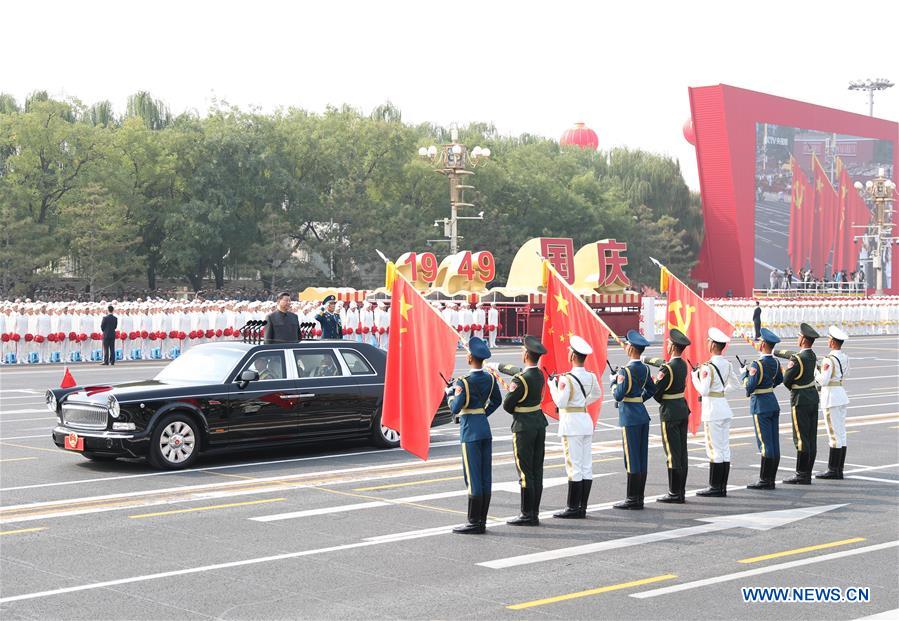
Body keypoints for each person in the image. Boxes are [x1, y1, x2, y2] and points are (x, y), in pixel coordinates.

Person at [491, 335, 548, 526]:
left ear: (525, 355)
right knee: (536, 470)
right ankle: (535, 512)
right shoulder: (538, 374)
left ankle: (526, 515)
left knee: (524, 472)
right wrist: (498, 365)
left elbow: (508, 405)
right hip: (539, 424)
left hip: (524, 427)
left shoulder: (520, 380)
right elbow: (518, 371)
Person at [447, 336, 502, 534]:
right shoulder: (490, 377)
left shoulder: (464, 382)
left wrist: (450, 393)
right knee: (485, 476)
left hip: (470, 430)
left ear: (470, 358)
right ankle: (482, 520)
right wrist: (482, 413)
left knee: (473, 477)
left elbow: (455, 407)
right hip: (484, 428)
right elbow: (497, 401)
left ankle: (474, 522)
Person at [548, 335, 602, 518]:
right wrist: (582, 402)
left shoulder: (566, 379)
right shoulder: (591, 376)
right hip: (585, 420)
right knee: (586, 466)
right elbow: (597, 394)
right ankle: (582, 507)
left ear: (572, 356)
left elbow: (561, 403)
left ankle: (573, 508)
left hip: (571, 423)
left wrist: (552, 387)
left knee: (574, 466)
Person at [643, 328, 691, 503]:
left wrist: (656, 381)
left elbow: (656, 393)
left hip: (670, 411)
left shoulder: (667, 368)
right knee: (682, 453)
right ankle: (681, 491)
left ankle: (674, 493)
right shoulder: (682, 364)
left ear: (672, 346)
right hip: (682, 408)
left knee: (672, 453)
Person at [611, 330, 656, 510]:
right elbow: (651, 390)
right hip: (642, 414)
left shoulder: (626, 371)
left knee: (631, 458)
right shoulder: (645, 368)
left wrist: (614, 382)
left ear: (630, 348)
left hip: (629, 416)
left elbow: (618, 395)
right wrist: (639, 400)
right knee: (641, 457)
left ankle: (632, 499)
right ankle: (639, 497)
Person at [691, 327, 737, 497]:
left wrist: (694, 377)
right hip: (724, 407)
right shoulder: (727, 364)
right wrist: (721, 391)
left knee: (714, 450)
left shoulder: (707, 368)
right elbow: (736, 385)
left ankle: (715, 487)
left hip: (713, 411)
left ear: (712, 345)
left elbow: (703, 391)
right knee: (724, 448)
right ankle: (722, 486)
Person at [774, 322, 820, 485]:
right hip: (813, 398)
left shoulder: (797, 358)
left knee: (800, 437)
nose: (797, 338)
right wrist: (775, 351)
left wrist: (784, 371)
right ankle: (806, 472)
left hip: (800, 399)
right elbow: (793, 355)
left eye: (799, 336)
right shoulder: (811, 355)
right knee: (811, 437)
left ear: (803, 340)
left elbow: (787, 380)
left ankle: (801, 474)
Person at [742, 328, 785, 490]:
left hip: (760, 405)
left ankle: (765, 480)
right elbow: (780, 379)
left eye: (760, 342)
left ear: (764, 344)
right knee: (773, 442)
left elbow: (749, 387)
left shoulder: (757, 364)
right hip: (772, 401)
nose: (759, 344)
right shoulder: (775, 362)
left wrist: (743, 375)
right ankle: (770, 478)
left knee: (765, 444)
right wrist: (769, 386)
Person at [816, 326, 850, 479]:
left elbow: (823, 380)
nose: (828, 341)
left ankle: (833, 470)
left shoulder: (828, 359)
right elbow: (845, 373)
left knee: (834, 435)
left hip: (831, 397)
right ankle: (839, 469)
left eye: (829, 339)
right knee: (841, 433)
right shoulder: (844, 357)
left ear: (833, 342)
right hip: (841, 394)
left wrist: (816, 372)